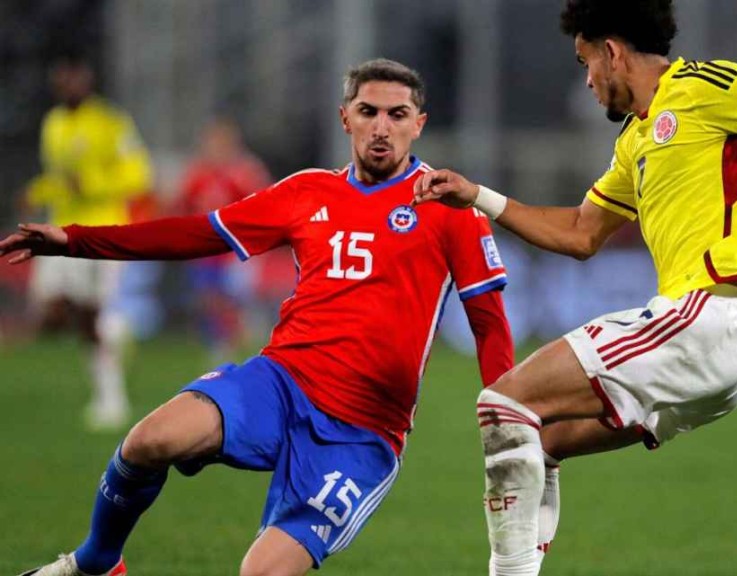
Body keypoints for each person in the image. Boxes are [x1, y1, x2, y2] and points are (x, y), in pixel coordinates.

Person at [412, 1, 737, 574]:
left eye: (586, 63)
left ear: (612, 53)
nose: (587, 80)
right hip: (721, 352)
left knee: (503, 402)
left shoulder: (707, 84)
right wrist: (478, 197)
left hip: (713, 316)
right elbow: (580, 233)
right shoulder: (634, 141)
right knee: (543, 439)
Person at [4, 58, 514, 576]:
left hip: (362, 432)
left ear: (418, 124)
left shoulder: (451, 206)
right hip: (280, 383)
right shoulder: (307, 191)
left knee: (260, 572)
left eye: (397, 114)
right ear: (345, 118)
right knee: (148, 440)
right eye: (368, 112)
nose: (382, 127)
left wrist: (508, 430)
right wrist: (74, 240)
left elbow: (489, 323)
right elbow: (195, 234)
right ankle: (94, 563)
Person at [22, 50, 153, 431]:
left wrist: (92, 183)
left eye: (73, 76)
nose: (68, 84)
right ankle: (116, 331)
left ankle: (111, 398)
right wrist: (36, 193)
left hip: (101, 231)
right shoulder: (53, 124)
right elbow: (60, 178)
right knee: (50, 311)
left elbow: (139, 174)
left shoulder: (110, 122)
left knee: (89, 317)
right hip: (59, 230)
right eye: (62, 77)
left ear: (87, 78)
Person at [177, 117, 272, 364]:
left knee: (230, 299)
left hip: (235, 249)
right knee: (209, 299)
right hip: (206, 250)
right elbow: (184, 204)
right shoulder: (198, 173)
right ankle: (220, 345)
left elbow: (263, 205)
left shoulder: (245, 171)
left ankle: (238, 341)